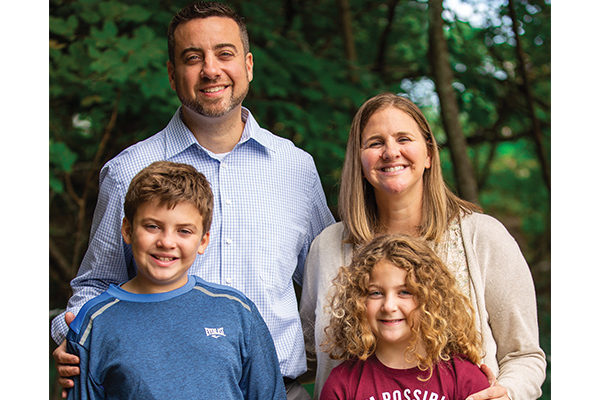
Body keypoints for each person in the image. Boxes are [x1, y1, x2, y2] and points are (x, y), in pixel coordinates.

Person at [52, 3, 334, 399]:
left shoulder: (296, 168)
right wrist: (77, 341)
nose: (211, 70)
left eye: (224, 53)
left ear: (248, 65)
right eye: (192, 58)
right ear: (172, 74)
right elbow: (95, 285)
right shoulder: (128, 171)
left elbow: (329, 284)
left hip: (279, 390)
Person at [299, 93, 546, 399]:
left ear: (429, 154)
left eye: (404, 138)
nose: (391, 152)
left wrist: (506, 395)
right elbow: (303, 359)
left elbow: (524, 356)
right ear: (359, 160)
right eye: (375, 143)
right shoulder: (328, 247)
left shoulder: (482, 237)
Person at [66, 161, 286, 399]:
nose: (167, 242)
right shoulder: (96, 322)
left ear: (203, 241)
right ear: (127, 230)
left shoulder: (236, 311)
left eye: (184, 231)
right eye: (152, 226)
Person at [319, 234, 489, 399]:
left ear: (430, 299)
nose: (389, 306)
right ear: (357, 301)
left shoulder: (464, 378)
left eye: (405, 292)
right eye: (376, 293)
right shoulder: (342, 385)